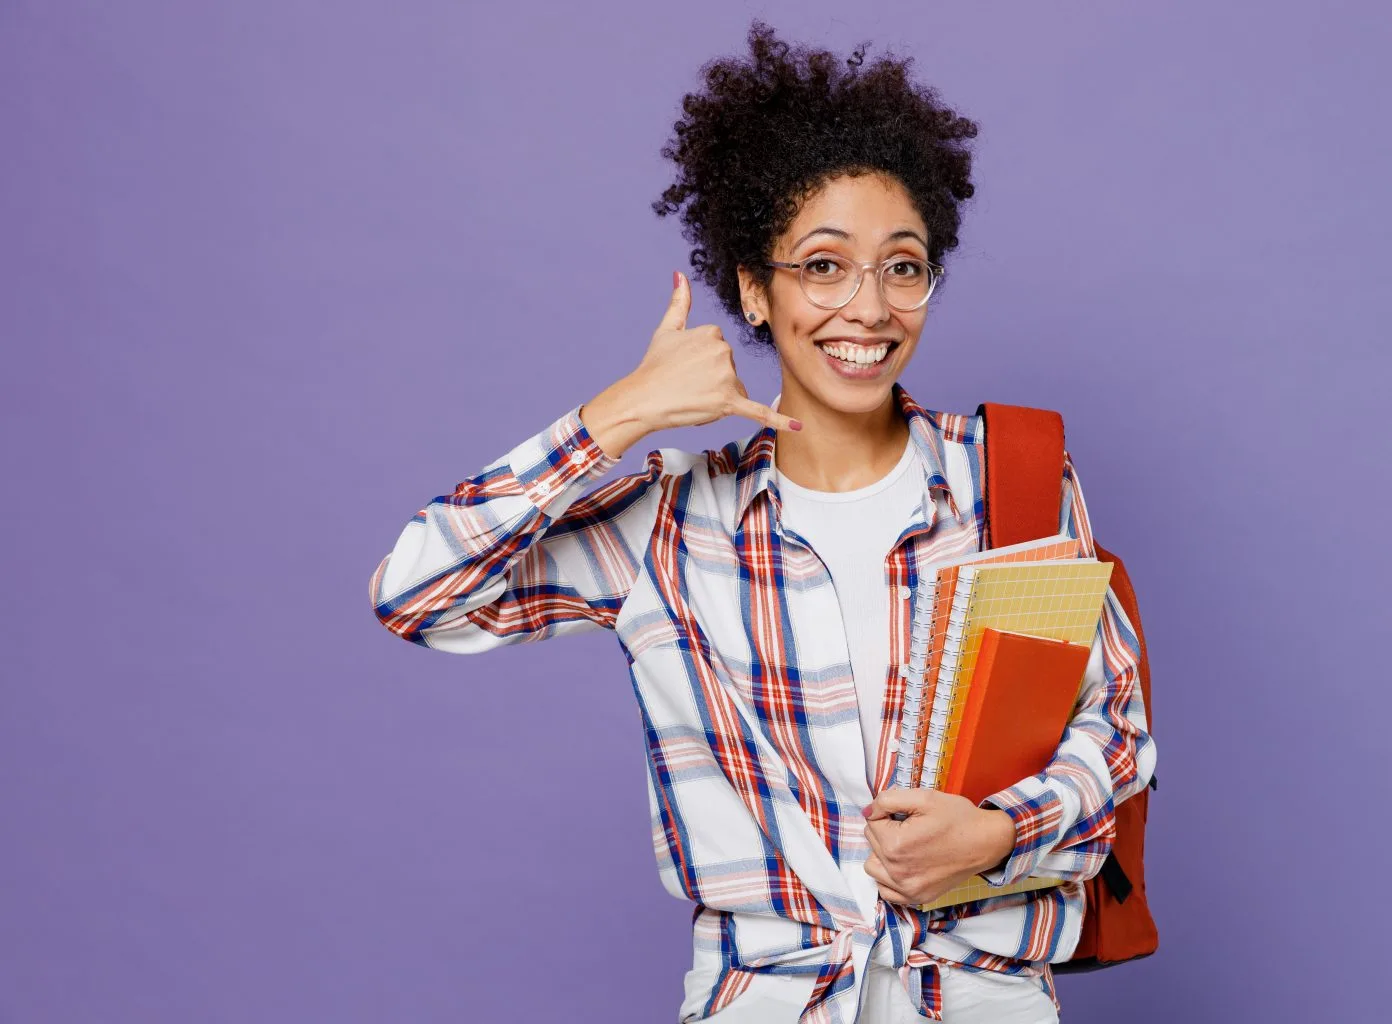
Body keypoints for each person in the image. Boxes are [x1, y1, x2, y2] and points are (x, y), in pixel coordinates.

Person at [368, 21, 1155, 1024]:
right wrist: (620, 415)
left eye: (902, 266)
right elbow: (415, 593)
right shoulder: (668, 518)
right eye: (823, 265)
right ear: (754, 286)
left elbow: (1117, 732)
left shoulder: (1013, 480)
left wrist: (999, 834)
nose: (867, 308)